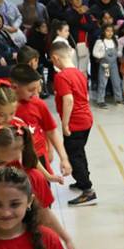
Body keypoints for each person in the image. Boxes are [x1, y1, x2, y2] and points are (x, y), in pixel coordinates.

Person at [51, 45, 96, 207]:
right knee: (79, 152)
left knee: (73, 156)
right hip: (86, 119)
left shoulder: (62, 76)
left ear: (56, 58)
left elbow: (68, 100)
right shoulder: (79, 73)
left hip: (75, 122)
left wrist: (64, 124)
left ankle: (87, 190)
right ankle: (82, 180)